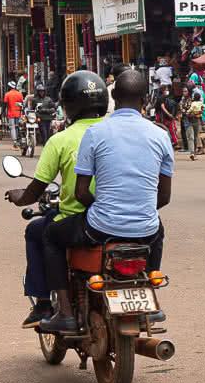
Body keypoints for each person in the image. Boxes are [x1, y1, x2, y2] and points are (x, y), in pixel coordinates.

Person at [38, 68, 172, 336]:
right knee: (158, 231)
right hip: (145, 228)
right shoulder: (160, 135)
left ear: (114, 97)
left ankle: (64, 312)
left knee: (50, 236)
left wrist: (106, 209)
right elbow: (164, 197)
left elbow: (81, 192)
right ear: (145, 100)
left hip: (100, 227)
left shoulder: (96, 133)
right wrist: (138, 211)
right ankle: (150, 295)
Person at [6, 70, 108, 328]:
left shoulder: (61, 140)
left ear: (69, 105)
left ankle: (51, 306)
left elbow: (38, 188)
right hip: (127, 218)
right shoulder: (116, 132)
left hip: (83, 220)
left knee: (40, 231)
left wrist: (21, 197)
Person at [180, 81, 205, 158]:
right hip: (187, 119)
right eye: (183, 91)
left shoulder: (194, 99)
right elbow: (182, 109)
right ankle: (192, 153)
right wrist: (188, 113)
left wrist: (198, 113)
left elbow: (201, 108)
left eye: (186, 91)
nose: (184, 93)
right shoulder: (182, 100)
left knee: (195, 136)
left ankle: (195, 151)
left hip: (195, 119)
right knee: (190, 137)